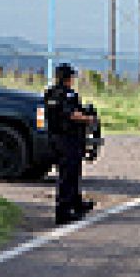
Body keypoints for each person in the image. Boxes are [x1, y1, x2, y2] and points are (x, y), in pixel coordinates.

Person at [44, 63, 97, 224]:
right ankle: (64, 211)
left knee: (69, 172)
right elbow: (72, 114)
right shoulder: (68, 95)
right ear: (68, 78)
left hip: (54, 138)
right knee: (68, 174)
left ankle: (76, 203)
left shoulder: (49, 93)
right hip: (69, 139)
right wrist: (89, 118)